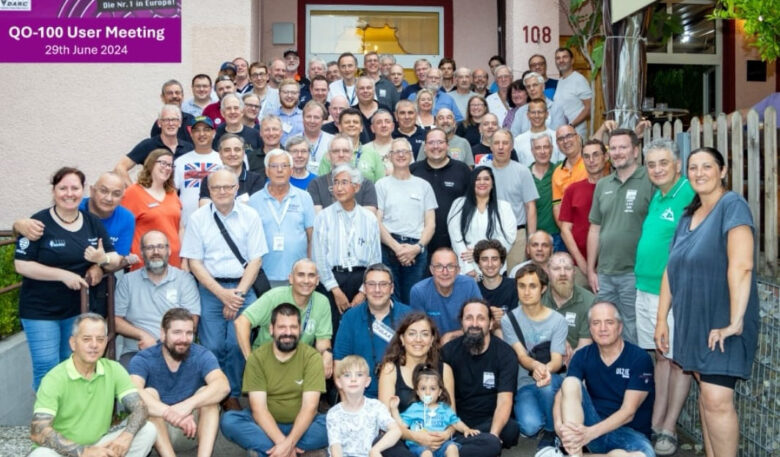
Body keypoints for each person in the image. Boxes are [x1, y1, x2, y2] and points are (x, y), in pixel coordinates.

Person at [655, 147, 760, 457]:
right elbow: (670, 269)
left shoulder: (732, 205)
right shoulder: (688, 215)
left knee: (716, 400)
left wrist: (735, 322)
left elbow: (741, 266)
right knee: (707, 398)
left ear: (723, 171)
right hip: (692, 322)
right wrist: (662, 319)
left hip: (722, 321)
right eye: (693, 167)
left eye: (707, 166)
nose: (699, 173)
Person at [14, 167, 122, 390]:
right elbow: (21, 264)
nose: (69, 193)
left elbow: (114, 257)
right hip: (40, 311)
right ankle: (45, 412)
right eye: (63, 188)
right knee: (47, 367)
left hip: (76, 310)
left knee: (70, 366)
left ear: (83, 191)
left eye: (75, 188)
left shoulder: (92, 222)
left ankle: (66, 413)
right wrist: (62, 275)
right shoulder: (38, 222)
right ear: (54, 191)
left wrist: (101, 260)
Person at [180, 169, 267, 411]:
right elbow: (195, 262)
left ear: (236, 189)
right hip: (211, 289)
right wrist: (222, 294)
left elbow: (256, 260)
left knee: (238, 344)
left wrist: (237, 295)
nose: (222, 192)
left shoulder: (250, 216)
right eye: (216, 187)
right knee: (213, 345)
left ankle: (233, 394)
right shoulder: (198, 219)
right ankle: (214, 392)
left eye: (227, 187)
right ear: (209, 190)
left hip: (243, 288)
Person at [633, 139, 694, 456]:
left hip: (671, 292)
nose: (657, 169)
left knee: (678, 359)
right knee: (661, 356)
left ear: (678, 165)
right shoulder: (658, 195)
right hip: (645, 288)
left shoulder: (689, 193)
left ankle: (669, 427)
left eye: (663, 163)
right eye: (652, 164)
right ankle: (656, 421)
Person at [29, 313, 157, 457]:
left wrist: (126, 436)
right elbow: (38, 431)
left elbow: (140, 408)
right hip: (64, 452)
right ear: (73, 343)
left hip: (99, 446)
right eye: (86, 339)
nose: (94, 345)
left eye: (100, 339)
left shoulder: (113, 369)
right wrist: (83, 452)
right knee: (41, 454)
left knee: (148, 430)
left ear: (106, 342)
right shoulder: (55, 378)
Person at [13, 171, 138, 316]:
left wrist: (99, 266)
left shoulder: (125, 218)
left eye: (116, 194)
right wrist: (18, 225)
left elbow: (118, 257)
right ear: (92, 190)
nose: (108, 198)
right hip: (47, 298)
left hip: (93, 285)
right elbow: (40, 227)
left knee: (97, 318)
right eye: (103, 191)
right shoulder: (73, 205)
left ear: (122, 197)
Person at [220, 303, 328, 455]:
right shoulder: (257, 358)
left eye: (293, 327)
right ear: (271, 329)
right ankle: (290, 451)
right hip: (265, 426)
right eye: (282, 327)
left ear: (300, 330)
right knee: (229, 421)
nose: (288, 332)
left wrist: (288, 442)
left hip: (303, 426)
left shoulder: (312, 357)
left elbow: (309, 408)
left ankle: (268, 451)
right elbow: (259, 409)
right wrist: (283, 442)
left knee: (332, 423)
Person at [553, 302, 655, 457]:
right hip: (592, 423)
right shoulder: (582, 355)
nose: (602, 328)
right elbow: (562, 394)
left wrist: (589, 434)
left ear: (620, 327)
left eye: (609, 322)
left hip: (629, 433)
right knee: (570, 382)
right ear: (590, 329)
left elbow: (628, 412)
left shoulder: (640, 359)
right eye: (596, 323)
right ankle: (574, 452)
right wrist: (559, 428)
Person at [129, 308, 229, 457]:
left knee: (208, 396)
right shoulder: (144, 359)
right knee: (149, 395)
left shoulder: (202, 355)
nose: (184, 339)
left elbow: (223, 386)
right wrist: (171, 413)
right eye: (177, 332)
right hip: (157, 432)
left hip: (192, 429)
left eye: (189, 333)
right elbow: (133, 392)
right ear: (163, 334)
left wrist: (187, 406)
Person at [587, 129, 653, 344]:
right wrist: (591, 269)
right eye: (613, 148)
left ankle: (635, 367)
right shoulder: (603, 185)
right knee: (604, 327)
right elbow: (595, 228)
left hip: (635, 272)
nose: (617, 152)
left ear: (635, 151)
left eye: (623, 147)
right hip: (605, 273)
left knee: (633, 329)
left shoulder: (650, 180)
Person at [500, 264, 566, 451]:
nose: (526, 292)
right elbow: (521, 355)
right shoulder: (508, 320)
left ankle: (552, 430)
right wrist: (536, 366)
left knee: (546, 386)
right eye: (522, 286)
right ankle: (553, 413)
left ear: (543, 288)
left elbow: (557, 360)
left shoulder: (558, 320)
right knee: (529, 427)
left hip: (553, 379)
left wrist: (545, 371)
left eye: (532, 286)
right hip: (525, 383)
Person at [115, 230, 200, 366]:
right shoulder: (127, 281)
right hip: (137, 351)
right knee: (129, 376)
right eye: (150, 247)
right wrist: (143, 335)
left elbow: (192, 321)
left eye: (160, 246)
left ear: (169, 250)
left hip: (176, 350)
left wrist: (165, 344)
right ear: (142, 252)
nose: (156, 252)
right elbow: (115, 321)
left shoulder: (185, 280)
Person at [312, 164, 382, 332]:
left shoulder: (369, 218)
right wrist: (335, 290)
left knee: (362, 330)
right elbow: (319, 258)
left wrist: (363, 291)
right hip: (332, 280)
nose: (339, 188)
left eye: (344, 182)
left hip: (362, 279)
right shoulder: (323, 217)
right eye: (335, 183)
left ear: (356, 187)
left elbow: (375, 259)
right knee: (333, 330)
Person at [235, 259, 333, 377]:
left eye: (311, 276)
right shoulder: (274, 296)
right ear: (291, 278)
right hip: (267, 361)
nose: (306, 281)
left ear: (317, 280)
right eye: (301, 275)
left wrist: (326, 354)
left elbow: (323, 342)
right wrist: (251, 360)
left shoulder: (322, 302)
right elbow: (241, 322)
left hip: (299, 363)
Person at [441, 300, 518, 450]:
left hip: (490, 419)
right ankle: (473, 446)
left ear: (491, 324)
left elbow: (504, 400)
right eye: (469, 318)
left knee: (510, 430)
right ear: (461, 323)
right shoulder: (448, 352)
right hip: (458, 420)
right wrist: (456, 426)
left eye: (481, 318)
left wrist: (493, 436)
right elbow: (444, 401)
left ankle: (462, 447)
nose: (474, 324)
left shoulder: (505, 354)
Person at [334, 264, 413, 398]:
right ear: (364, 289)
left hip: (401, 396)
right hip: (361, 397)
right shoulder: (350, 317)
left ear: (392, 288)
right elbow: (339, 363)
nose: (377, 290)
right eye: (371, 284)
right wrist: (350, 403)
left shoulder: (409, 316)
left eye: (383, 284)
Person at [376, 138, 437, 303]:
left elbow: (430, 224)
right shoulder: (381, 185)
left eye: (405, 152)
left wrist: (417, 248)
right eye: (396, 151)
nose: (401, 155)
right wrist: (397, 248)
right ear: (389, 156)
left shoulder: (424, 186)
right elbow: (377, 222)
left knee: (414, 298)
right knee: (388, 299)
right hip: (388, 247)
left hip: (416, 248)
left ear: (411, 155)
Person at [248, 148, 315, 287]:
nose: (279, 170)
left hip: (298, 276)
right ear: (267, 171)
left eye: (284, 166)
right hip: (263, 274)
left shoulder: (304, 197)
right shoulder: (254, 201)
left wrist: (310, 269)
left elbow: (312, 238)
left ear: (291, 170)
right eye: (274, 166)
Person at [392, 364, 480, 457]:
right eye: (423, 388)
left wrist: (466, 429)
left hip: (441, 445)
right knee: (427, 453)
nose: (427, 392)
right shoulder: (414, 408)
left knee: (452, 447)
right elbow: (401, 425)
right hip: (419, 446)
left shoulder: (444, 408)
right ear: (417, 392)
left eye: (432, 388)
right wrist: (394, 409)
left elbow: (456, 422)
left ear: (439, 392)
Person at [410, 129, 471, 258]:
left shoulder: (462, 170)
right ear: (425, 147)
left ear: (447, 146)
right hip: (418, 243)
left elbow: (472, 205)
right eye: (431, 142)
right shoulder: (413, 171)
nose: (436, 146)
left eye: (440, 142)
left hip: (455, 242)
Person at [447, 166, 516, 277]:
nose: (482, 182)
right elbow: (456, 239)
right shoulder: (458, 205)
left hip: (494, 268)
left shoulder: (504, 207)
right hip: (466, 268)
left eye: (486, 179)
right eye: (477, 179)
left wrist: (479, 253)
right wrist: (468, 268)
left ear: (492, 183)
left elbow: (508, 237)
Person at [328, 355, 402, 457]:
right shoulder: (334, 414)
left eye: (359, 375)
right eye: (347, 375)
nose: (353, 379)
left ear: (367, 382)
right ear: (339, 382)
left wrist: (375, 450)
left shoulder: (376, 407)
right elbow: (335, 449)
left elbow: (396, 430)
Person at [121, 149, 184, 271]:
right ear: (150, 164)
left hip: (173, 262)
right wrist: (125, 255)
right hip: (145, 263)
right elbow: (122, 226)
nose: (167, 168)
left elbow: (180, 228)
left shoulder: (172, 194)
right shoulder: (133, 192)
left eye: (170, 165)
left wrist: (184, 256)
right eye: (163, 163)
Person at [558, 139, 609, 287]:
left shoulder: (615, 187)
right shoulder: (573, 190)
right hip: (579, 265)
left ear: (605, 157)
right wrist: (582, 263)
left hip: (611, 266)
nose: (591, 160)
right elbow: (565, 230)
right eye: (586, 156)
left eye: (596, 155)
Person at [487, 129, 539, 271]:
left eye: (505, 143)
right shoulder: (483, 172)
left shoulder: (523, 171)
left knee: (516, 276)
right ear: (491, 146)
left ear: (511, 146)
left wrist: (531, 240)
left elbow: (530, 207)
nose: (501, 147)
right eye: (496, 143)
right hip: (489, 233)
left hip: (517, 236)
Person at [409, 248, 483, 344]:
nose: (445, 272)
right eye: (439, 266)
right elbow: (420, 330)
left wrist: (451, 336)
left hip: (467, 342)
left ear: (458, 270)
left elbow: (480, 324)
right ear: (431, 270)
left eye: (450, 266)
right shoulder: (419, 291)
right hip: (434, 345)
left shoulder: (469, 285)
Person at [115, 104, 194, 187]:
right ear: (159, 123)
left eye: (174, 120)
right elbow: (120, 167)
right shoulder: (148, 145)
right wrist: (133, 192)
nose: (171, 123)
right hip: (154, 194)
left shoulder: (189, 148)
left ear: (180, 123)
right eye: (166, 120)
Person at [541, 252, 594, 365]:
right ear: (547, 272)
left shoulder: (589, 300)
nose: (562, 273)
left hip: (574, 361)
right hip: (540, 358)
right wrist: (557, 339)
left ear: (574, 272)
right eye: (556, 269)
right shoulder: (538, 296)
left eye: (568, 268)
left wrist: (565, 364)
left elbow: (584, 345)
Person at [307, 134, 379, 213]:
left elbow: (368, 216)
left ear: (352, 155)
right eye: (336, 151)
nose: (341, 155)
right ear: (328, 156)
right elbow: (318, 217)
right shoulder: (316, 185)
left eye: (345, 151)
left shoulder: (366, 184)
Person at [173, 115, 222, 226]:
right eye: (197, 130)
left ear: (213, 133)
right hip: (187, 224)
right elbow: (172, 194)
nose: (201, 134)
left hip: (217, 223)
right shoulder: (180, 162)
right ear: (191, 134)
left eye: (206, 130)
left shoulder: (222, 160)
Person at [198, 133, 264, 206]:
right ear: (220, 154)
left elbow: (256, 207)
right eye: (227, 150)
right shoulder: (209, 179)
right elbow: (204, 207)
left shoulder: (256, 180)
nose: (232, 154)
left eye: (237, 149)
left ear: (243, 153)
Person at [473, 240, 518, 319]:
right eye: (484, 259)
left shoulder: (515, 286)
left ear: (501, 263)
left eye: (494, 259)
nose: (490, 264)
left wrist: (506, 318)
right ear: (478, 264)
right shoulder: (473, 290)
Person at [553, 48, 591, 137]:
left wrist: (571, 125)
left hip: (576, 133)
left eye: (565, 57)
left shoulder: (579, 79)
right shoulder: (560, 81)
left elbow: (589, 109)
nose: (561, 60)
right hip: (562, 134)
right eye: (558, 58)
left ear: (572, 60)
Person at [513, 99, 561, 167]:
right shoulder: (518, 141)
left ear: (547, 114)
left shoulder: (557, 137)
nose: (536, 116)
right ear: (528, 115)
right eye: (533, 112)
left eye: (540, 112)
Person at [277, 78, 304, 145]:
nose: (289, 96)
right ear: (279, 94)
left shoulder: (306, 117)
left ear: (298, 95)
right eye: (285, 92)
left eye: (293, 93)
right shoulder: (271, 116)